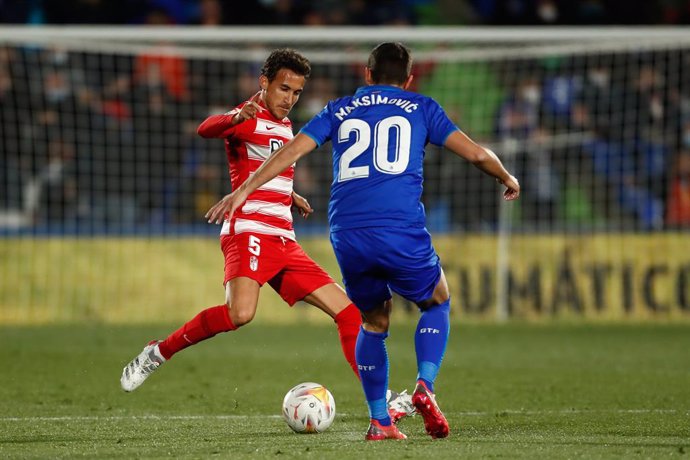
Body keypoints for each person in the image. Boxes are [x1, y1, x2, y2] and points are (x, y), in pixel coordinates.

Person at [205, 42, 520, 441]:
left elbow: (289, 152)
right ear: (408, 80)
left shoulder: (338, 109)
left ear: (367, 75)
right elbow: (476, 155)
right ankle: (425, 386)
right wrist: (507, 177)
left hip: (348, 232)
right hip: (399, 226)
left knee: (373, 321)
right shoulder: (422, 106)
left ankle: (380, 422)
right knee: (437, 300)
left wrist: (244, 188)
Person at [120, 48, 414, 423]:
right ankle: (158, 352)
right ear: (265, 83)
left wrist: (289, 195)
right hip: (249, 232)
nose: (289, 99)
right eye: (283, 89)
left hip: (283, 238)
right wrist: (232, 116)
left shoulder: (288, 126)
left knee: (349, 314)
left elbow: (265, 166)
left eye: (295, 92)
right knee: (240, 314)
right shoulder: (248, 117)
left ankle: (382, 398)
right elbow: (205, 129)